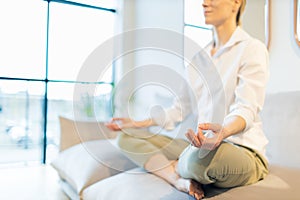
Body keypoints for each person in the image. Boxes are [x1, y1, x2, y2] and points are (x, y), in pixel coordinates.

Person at [106, 0, 269, 199]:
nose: (204, 3)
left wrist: (223, 131)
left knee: (195, 162)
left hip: (242, 149)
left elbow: (246, 108)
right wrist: (138, 123)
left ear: (236, 3)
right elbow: (179, 109)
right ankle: (176, 178)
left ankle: (181, 164)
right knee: (127, 137)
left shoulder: (251, 48)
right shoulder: (198, 59)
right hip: (200, 147)